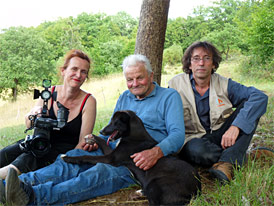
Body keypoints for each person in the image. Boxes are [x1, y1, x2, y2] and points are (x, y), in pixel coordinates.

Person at [2, 54, 185, 205]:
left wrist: (156, 152)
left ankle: (33, 197)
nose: (135, 83)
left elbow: (177, 135)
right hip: (116, 149)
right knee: (73, 157)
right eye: (130, 79)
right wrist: (96, 141)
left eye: (140, 77)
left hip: (139, 161)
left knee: (100, 173)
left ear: (151, 76)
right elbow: (114, 132)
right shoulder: (125, 97)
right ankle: (15, 185)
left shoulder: (169, 97)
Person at [168, 41, 268, 183]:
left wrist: (235, 126)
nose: (201, 63)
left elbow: (259, 97)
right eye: (196, 58)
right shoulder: (174, 85)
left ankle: (226, 164)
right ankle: (243, 157)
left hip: (221, 136)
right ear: (189, 64)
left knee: (251, 106)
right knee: (197, 151)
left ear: (214, 64)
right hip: (193, 140)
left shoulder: (224, 83)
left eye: (207, 58)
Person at [0, 49, 96, 179]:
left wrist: (64, 162)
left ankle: (5, 178)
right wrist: (32, 114)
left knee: (26, 159)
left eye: (83, 72)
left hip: (62, 151)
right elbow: (29, 123)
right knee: (6, 153)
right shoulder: (48, 93)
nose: (78, 75)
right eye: (74, 69)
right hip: (38, 142)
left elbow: (82, 143)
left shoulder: (88, 101)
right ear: (63, 71)